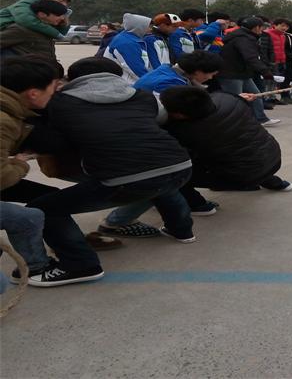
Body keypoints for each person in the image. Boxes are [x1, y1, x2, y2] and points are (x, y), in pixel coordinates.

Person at [26, 57, 194, 286]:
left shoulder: (58, 103)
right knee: (157, 179)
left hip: (125, 178)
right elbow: (161, 118)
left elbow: (48, 141)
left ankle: (80, 265)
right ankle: (181, 230)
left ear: (71, 79)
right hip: (180, 166)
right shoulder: (143, 96)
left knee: (44, 209)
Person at [0, 57, 62, 287]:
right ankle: (36, 268)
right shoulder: (4, 120)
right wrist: (20, 164)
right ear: (33, 93)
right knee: (28, 218)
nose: (55, 94)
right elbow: (2, 177)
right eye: (53, 89)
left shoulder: (9, 109)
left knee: (45, 195)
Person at [159, 87, 292, 192]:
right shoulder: (226, 98)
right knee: (242, 146)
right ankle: (272, 182)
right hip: (272, 157)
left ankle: (198, 205)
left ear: (179, 114)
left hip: (245, 174)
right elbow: (234, 98)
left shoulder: (185, 130)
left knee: (171, 173)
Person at [219, 16, 280, 127]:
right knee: (236, 99)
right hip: (231, 74)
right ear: (256, 27)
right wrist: (265, 71)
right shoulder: (243, 38)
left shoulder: (245, 36)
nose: (263, 30)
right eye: (262, 27)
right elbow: (251, 57)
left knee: (255, 95)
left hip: (243, 73)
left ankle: (260, 119)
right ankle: (233, 123)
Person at [0, 0, 69, 59]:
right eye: (58, 15)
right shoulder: (21, 29)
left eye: (63, 15)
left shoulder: (48, 30)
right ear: (42, 14)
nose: (62, 18)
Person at [134, 50, 223, 94]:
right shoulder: (172, 84)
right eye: (211, 74)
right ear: (198, 71)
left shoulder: (167, 69)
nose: (210, 78)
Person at [0, 0, 71, 40]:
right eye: (61, 1)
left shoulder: (43, 11)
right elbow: (25, 19)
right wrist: (56, 34)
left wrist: (64, 20)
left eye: (66, 2)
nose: (64, 5)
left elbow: (62, 32)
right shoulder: (25, 3)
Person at [104, 13, 152, 83]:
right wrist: (152, 82)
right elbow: (136, 69)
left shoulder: (129, 38)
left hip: (126, 83)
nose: (150, 29)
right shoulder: (127, 43)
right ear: (139, 27)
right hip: (126, 84)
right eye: (148, 26)